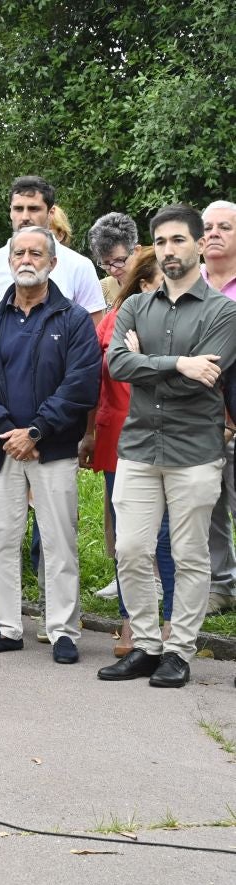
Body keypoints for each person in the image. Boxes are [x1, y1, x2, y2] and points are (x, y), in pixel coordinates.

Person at [101, 205, 236, 688]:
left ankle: (178, 650)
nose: (168, 250)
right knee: (131, 549)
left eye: (178, 240)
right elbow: (117, 365)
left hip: (194, 450)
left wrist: (149, 361)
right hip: (139, 446)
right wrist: (179, 363)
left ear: (199, 244)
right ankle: (145, 645)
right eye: (160, 242)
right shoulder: (136, 306)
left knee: (190, 555)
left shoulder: (224, 311)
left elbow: (206, 378)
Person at [0, 227, 101, 663]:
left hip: (52, 449)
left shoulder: (73, 319)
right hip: (2, 449)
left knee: (59, 541)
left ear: (52, 263)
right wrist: (9, 431)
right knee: (0, 538)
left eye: (36, 253)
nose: (26, 259)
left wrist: (36, 431)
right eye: (19, 253)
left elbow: (81, 384)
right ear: (9, 262)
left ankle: (62, 631)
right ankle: (6, 626)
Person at [79, 247, 174, 655]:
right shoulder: (115, 318)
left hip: (170, 435)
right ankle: (130, 621)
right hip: (117, 434)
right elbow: (96, 380)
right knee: (126, 535)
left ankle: (171, 623)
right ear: (144, 284)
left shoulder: (186, 320)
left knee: (167, 534)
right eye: (162, 280)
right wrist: (88, 434)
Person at [0, 176, 108, 330]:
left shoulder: (79, 267)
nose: (25, 217)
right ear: (10, 212)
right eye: (18, 209)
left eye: (34, 209)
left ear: (51, 212)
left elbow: (94, 335)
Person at [200, 201, 236, 618]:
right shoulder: (189, 285)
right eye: (207, 227)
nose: (213, 233)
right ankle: (220, 586)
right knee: (207, 508)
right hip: (198, 419)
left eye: (224, 227)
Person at [86, 212, 140, 306]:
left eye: (119, 260)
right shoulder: (101, 290)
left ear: (137, 251)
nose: (113, 270)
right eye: (106, 263)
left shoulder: (156, 283)